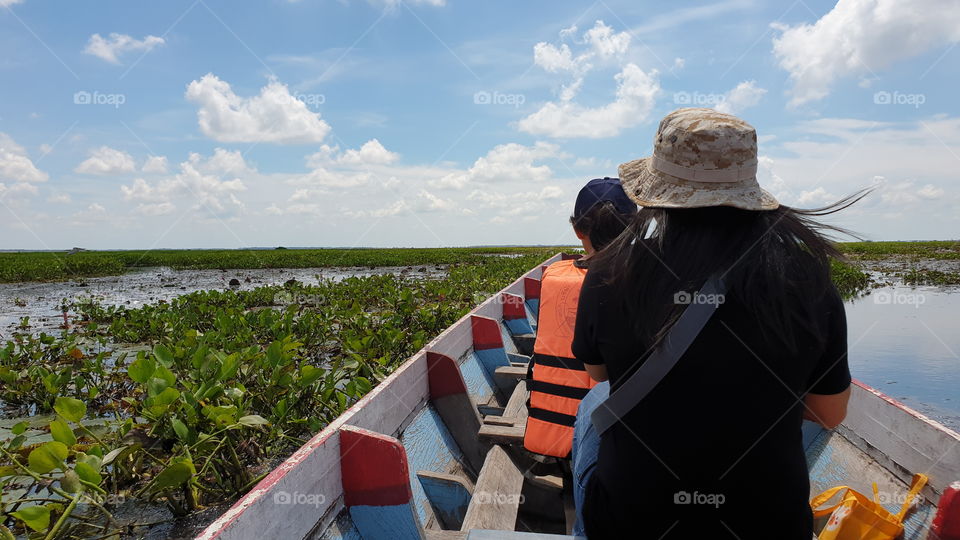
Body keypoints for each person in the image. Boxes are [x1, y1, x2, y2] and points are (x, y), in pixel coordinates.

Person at [570, 108, 861, 538]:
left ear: (657, 194)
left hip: (634, 522)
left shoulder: (609, 272)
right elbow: (829, 412)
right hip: (767, 526)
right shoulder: (806, 276)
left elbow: (599, 374)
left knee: (594, 404)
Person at [523, 178, 636, 459]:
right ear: (635, 227)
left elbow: (596, 373)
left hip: (558, 429)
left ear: (577, 230)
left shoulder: (558, 278)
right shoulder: (652, 277)